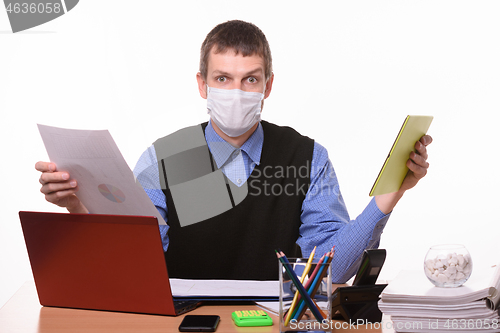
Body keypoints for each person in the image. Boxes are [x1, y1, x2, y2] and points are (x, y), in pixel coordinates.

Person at [35, 20, 432, 282]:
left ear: (268, 86)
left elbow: (330, 271)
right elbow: (137, 261)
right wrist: (79, 206)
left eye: (250, 80)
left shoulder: (307, 158)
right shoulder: (165, 158)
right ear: (202, 84)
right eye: (223, 78)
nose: (236, 92)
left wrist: (388, 197)